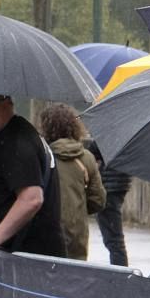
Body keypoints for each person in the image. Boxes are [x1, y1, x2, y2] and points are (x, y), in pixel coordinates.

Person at [0, 91, 65, 260]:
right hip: (20, 259)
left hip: (27, 260)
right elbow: (5, 191)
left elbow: (32, 198)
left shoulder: (16, 140)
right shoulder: (8, 136)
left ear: (6, 102)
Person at [39, 103, 105, 261]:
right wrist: (77, 209)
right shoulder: (86, 157)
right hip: (77, 237)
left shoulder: (40, 156)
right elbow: (98, 201)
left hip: (45, 235)